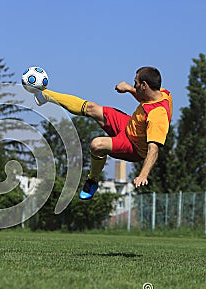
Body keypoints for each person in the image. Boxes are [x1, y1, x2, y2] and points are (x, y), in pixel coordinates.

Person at [33, 66, 173, 200]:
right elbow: (146, 97)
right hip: (129, 126)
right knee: (92, 108)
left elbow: (153, 149)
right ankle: (44, 95)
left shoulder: (157, 115)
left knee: (97, 144)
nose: (134, 85)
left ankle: (92, 180)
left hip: (133, 147)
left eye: (135, 83)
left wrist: (143, 175)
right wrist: (130, 89)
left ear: (143, 85)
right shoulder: (163, 93)